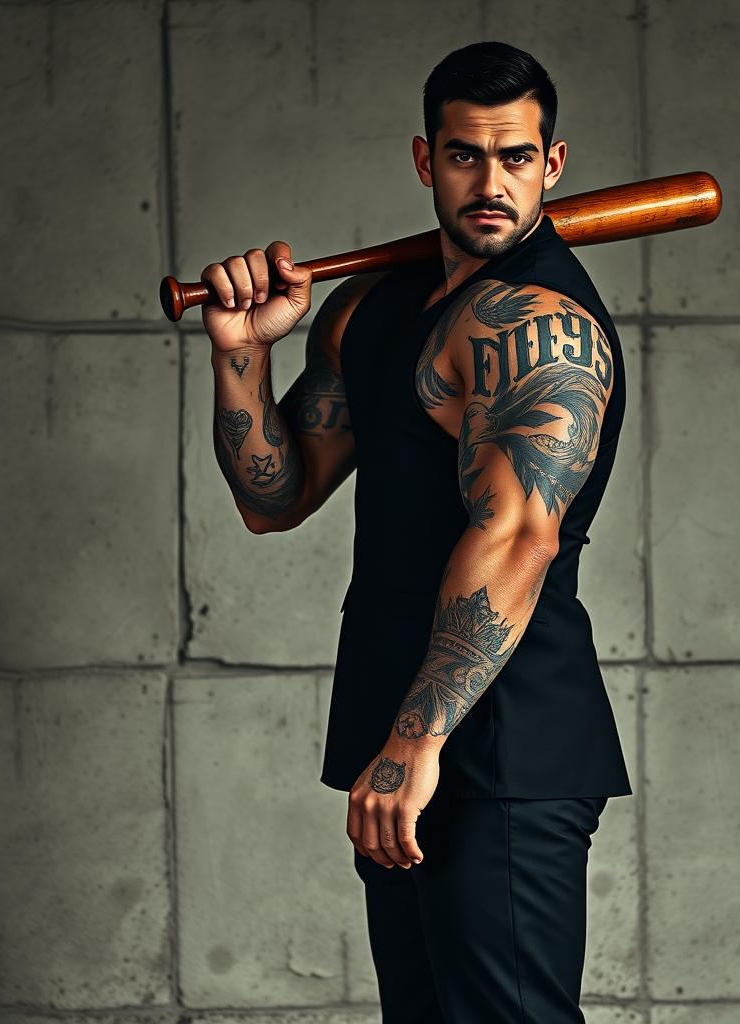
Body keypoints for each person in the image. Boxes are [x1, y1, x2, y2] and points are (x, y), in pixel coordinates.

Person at [200, 40, 631, 1024]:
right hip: (397, 743)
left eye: (515, 157)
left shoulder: (539, 326)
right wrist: (239, 360)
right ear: (423, 159)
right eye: (464, 155)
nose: (490, 182)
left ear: (551, 165)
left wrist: (413, 741)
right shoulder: (375, 309)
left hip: (499, 747)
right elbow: (275, 492)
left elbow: (518, 537)